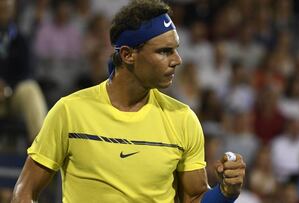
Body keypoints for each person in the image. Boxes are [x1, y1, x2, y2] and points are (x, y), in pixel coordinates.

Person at [11, 0, 246, 202]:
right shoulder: (70, 111)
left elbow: (193, 198)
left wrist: (226, 192)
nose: (177, 60)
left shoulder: (183, 119)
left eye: (176, 49)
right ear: (128, 55)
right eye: (165, 51)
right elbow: (25, 190)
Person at [0, 0, 47, 142]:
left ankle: (41, 148)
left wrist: (6, 87)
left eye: (7, 8)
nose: (3, 12)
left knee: (30, 89)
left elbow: (26, 72)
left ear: (13, 11)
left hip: (12, 95)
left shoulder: (20, 39)